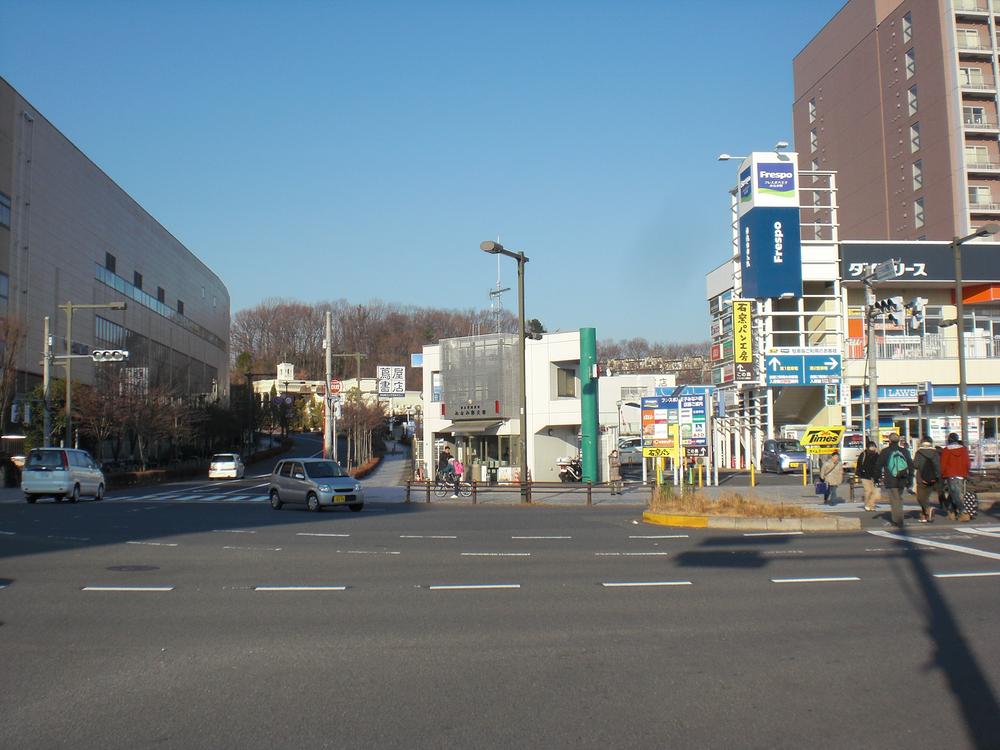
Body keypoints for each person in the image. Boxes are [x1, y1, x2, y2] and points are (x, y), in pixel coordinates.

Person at [876, 432, 914, 528]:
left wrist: (877, 478)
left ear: (889, 441)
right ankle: (898, 519)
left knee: (894, 500)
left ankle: (897, 520)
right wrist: (910, 479)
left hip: (890, 478)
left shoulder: (885, 451)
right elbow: (910, 465)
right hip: (902, 478)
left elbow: (878, 465)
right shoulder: (905, 451)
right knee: (899, 498)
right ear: (898, 441)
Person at [940, 432, 971, 521]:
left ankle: (962, 511)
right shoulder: (963, 450)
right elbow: (967, 463)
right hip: (961, 474)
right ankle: (951, 512)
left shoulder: (946, 450)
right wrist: (966, 473)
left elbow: (943, 464)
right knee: (954, 493)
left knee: (954, 494)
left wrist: (942, 474)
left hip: (950, 474)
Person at [913, 437, 941, 523]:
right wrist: (937, 477)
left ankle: (928, 509)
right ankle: (925, 515)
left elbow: (915, 465)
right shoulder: (935, 453)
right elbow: (938, 466)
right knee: (926, 497)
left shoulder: (919, 453)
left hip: (921, 478)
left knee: (920, 498)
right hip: (932, 479)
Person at [855, 440, 880, 512]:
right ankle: (867, 504)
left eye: (874, 446)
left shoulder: (877, 455)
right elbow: (859, 464)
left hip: (874, 476)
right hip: (865, 475)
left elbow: (879, 466)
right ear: (868, 447)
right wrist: (861, 471)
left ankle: (872, 505)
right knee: (868, 491)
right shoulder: (864, 454)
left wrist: (879, 475)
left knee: (874, 492)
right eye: (871, 446)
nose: (873, 448)